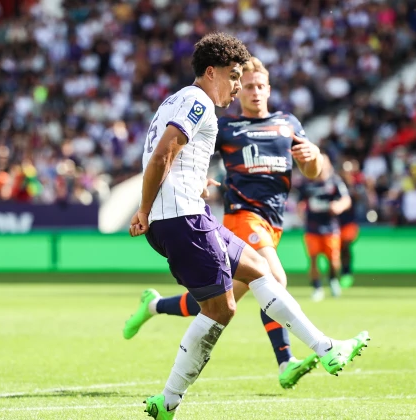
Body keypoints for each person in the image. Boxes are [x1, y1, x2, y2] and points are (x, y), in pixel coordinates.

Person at [129, 33, 370, 420]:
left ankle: (326, 348)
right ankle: (169, 401)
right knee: (221, 309)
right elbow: (161, 155)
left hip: (187, 212)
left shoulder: (175, 99)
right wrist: (143, 209)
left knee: (259, 272)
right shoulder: (198, 102)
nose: (239, 86)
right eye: (235, 76)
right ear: (211, 72)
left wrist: (190, 182)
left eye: (247, 79)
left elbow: (172, 153)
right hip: (182, 219)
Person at [124, 56, 327, 389]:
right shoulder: (228, 126)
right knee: (273, 277)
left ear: (269, 88)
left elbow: (312, 171)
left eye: (259, 86)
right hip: (242, 217)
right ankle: (289, 360)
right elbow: (186, 151)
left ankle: (156, 306)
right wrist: (197, 181)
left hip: (272, 223)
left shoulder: (287, 123)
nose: (253, 91)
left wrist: (314, 158)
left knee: (220, 299)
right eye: (245, 85)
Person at [297, 155, 352, 301]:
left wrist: (338, 207)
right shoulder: (307, 183)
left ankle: (333, 280)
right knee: (313, 259)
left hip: (330, 227)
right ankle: (317, 287)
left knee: (333, 260)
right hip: (312, 227)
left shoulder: (335, 182)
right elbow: (300, 203)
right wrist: (301, 212)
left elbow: (346, 200)